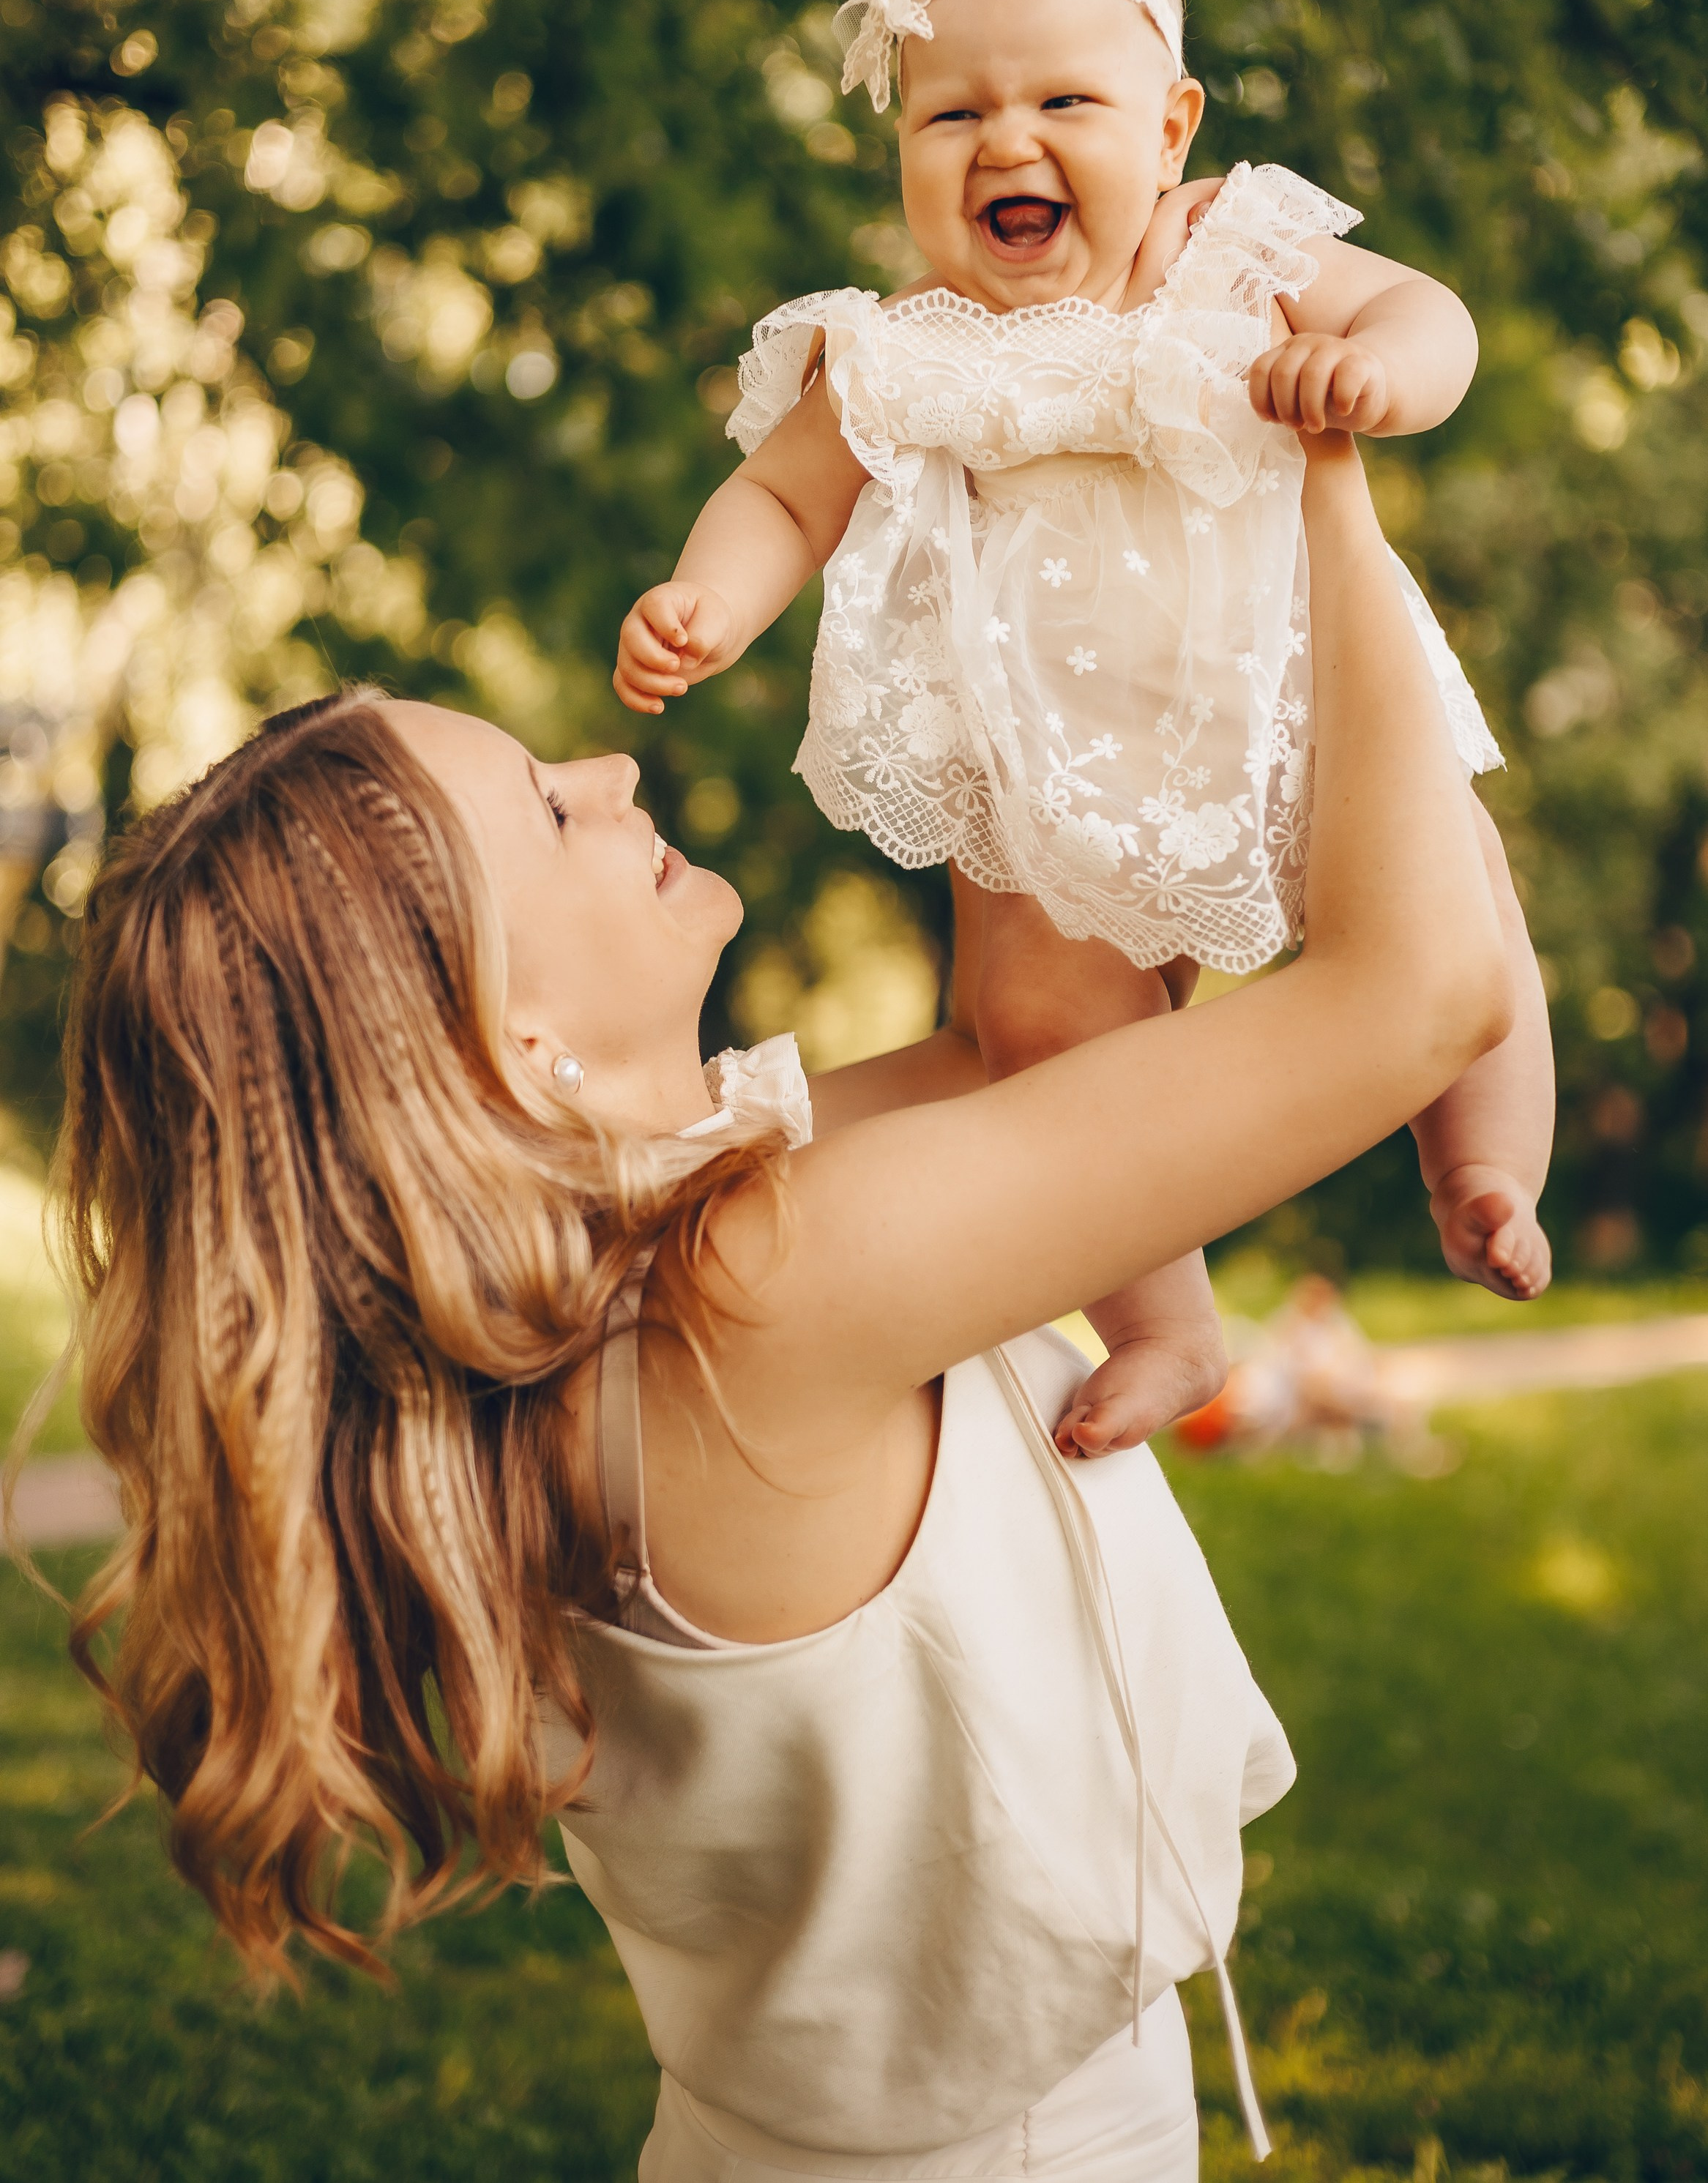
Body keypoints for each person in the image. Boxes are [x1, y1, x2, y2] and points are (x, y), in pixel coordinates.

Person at [31, 438, 1510, 2179]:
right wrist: (1321, 479)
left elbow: (1012, 1035)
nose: (606, 762)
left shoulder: (628, 1279)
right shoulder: (754, 1297)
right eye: (549, 808)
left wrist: (1007, 502)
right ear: (511, 1042)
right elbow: (1420, 994)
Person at [614, 0, 1555, 1461]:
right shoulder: (908, 343)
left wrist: (1378, 367)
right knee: (1040, 1021)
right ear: (901, 145)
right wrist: (707, 597)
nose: (1007, 141)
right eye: (951, 114)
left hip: (1295, 698)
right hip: (1048, 763)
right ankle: (1162, 1311)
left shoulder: (1231, 249)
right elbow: (781, 491)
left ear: (1172, 127)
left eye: (1065, 98)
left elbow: (1432, 313)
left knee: (1450, 879)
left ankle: (1486, 1163)